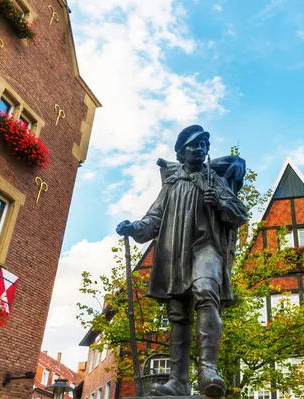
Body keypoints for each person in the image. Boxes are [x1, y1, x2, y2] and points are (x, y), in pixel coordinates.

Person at [116, 125, 247, 397]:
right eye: (194, 145)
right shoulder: (172, 184)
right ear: (181, 152)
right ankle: (178, 380)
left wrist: (220, 203)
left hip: (206, 248)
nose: (200, 149)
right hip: (174, 254)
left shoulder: (215, 181)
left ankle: (208, 370)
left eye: (204, 145)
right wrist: (133, 228)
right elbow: (153, 219)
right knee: (178, 315)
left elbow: (240, 214)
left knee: (206, 291)